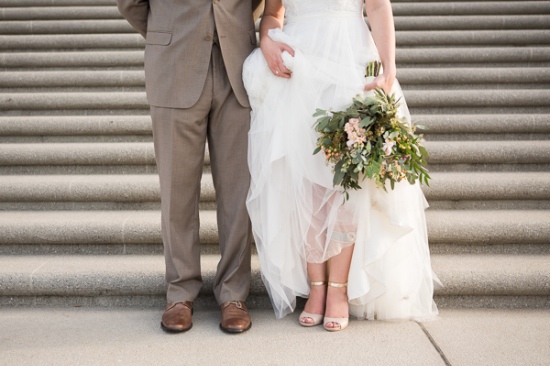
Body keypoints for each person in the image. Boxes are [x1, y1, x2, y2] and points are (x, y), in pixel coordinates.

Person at [243, 0, 439, 332]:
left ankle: (340, 288)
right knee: (305, 179)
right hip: (298, 65)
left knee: (349, 175)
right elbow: (273, 12)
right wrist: (266, 39)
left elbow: (377, 7)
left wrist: (389, 68)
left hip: (350, 58)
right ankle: (316, 286)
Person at [116, 0, 263, 334]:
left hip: (237, 66)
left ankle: (234, 294)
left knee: (239, 194)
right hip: (174, 61)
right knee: (176, 190)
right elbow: (130, 3)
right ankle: (180, 293)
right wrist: (168, 32)